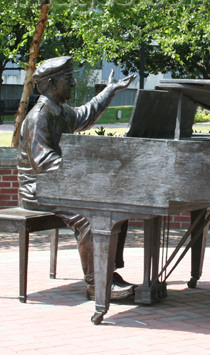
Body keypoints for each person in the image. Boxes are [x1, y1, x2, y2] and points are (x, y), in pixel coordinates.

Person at [17, 56, 137, 300]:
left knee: (116, 207)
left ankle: (107, 273)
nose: (73, 83)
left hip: (59, 185)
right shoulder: (40, 116)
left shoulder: (59, 111)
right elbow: (44, 162)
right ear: (52, 83)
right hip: (39, 190)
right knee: (87, 218)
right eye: (68, 78)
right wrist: (83, 171)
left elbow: (85, 114)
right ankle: (96, 286)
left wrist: (110, 90)